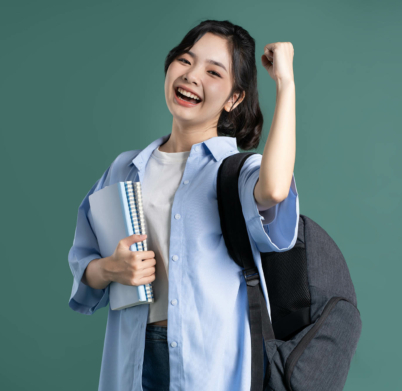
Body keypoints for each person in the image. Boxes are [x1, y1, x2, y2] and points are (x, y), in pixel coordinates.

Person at [68, 19, 298, 391]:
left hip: (210, 366)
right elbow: (84, 268)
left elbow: (273, 191)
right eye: (186, 60)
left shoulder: (236, 171)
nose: (191, 76)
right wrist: (111, 269)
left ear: (233, 98)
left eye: (213, 72)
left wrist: (285, 85)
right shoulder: (124, 169)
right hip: (131, 357)